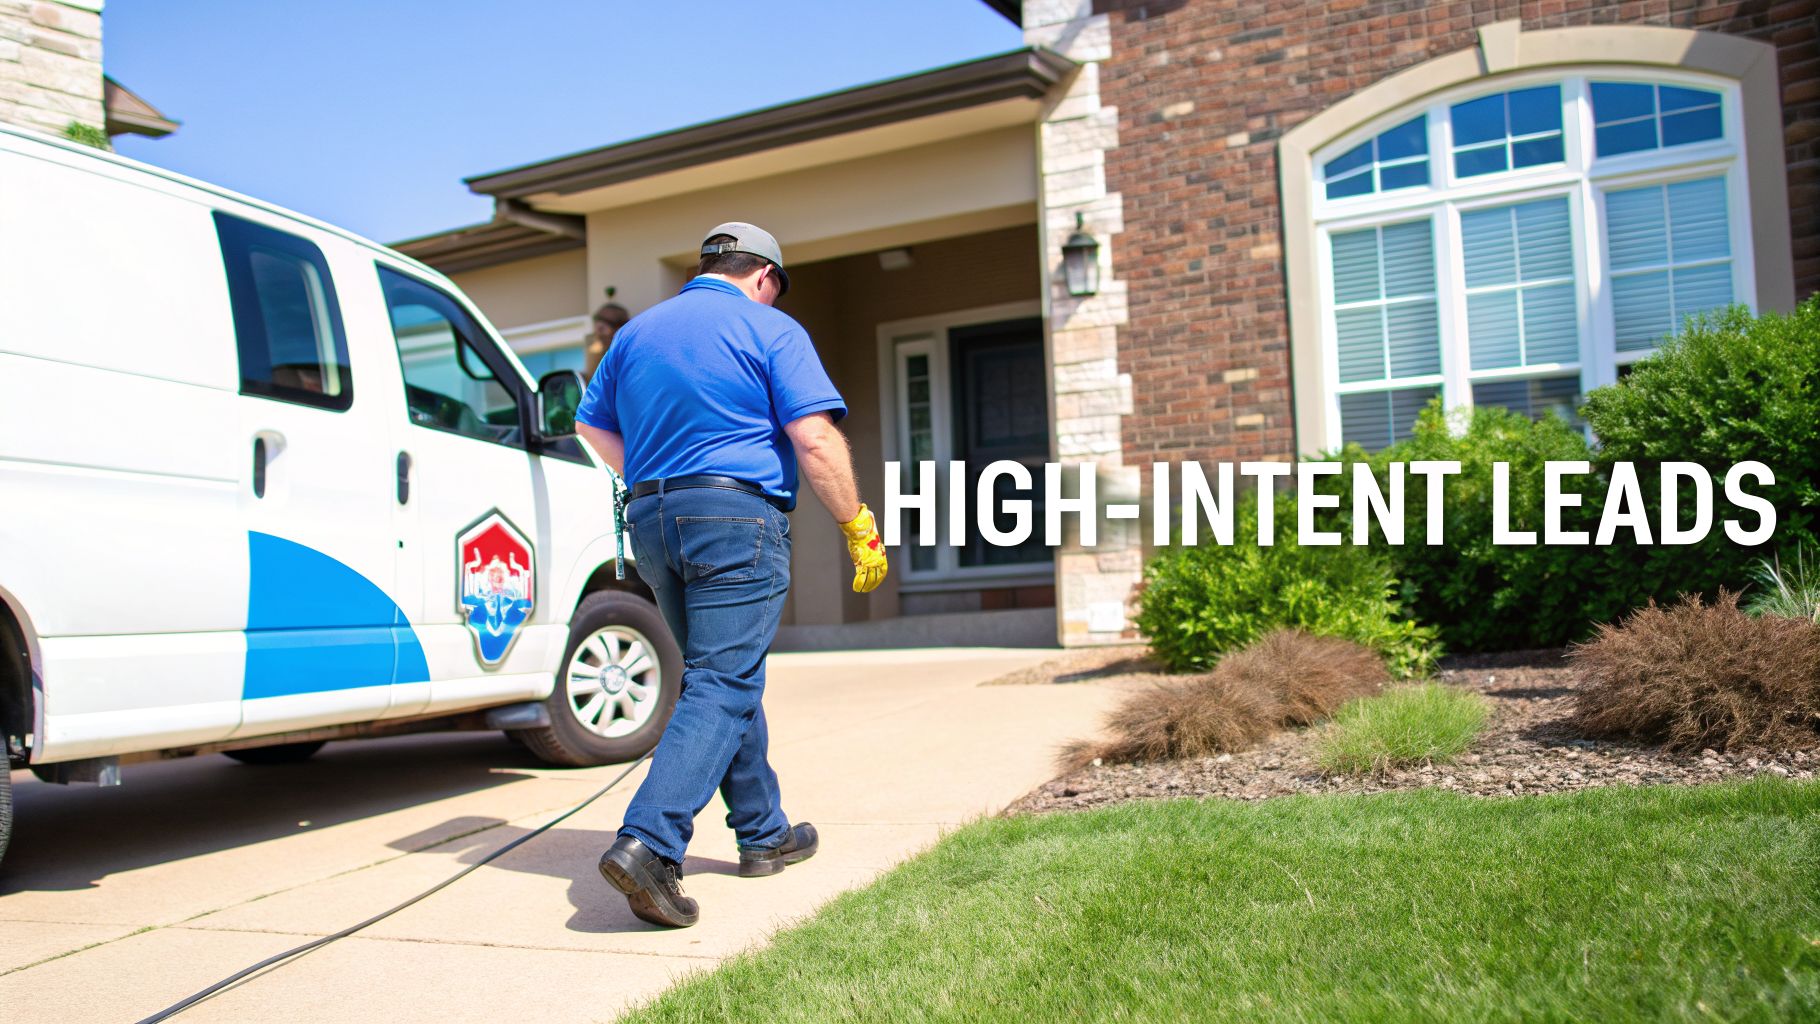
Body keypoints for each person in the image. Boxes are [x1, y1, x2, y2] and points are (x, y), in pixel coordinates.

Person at [572, 221, 888, 929]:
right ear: (765, 277)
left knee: (718, 672)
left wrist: (659, 479)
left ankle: (762, 830)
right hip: (736, 517)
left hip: (653, 518)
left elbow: (590, 426)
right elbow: (813, 436)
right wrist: (857, 527)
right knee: (725, 679)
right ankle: (650, 843)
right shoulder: (769, 328)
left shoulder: (636, 334)